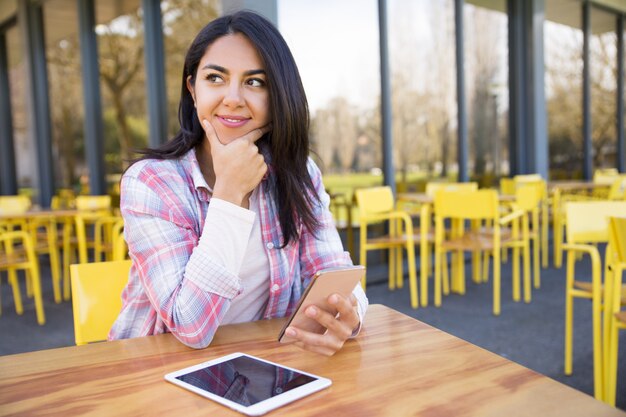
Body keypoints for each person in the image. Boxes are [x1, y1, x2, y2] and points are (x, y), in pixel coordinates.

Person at [109, 10, 368, 356]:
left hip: (260, 366)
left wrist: (350, 313)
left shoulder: (297, 172)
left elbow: (333, 272)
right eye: (215, 78)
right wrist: (230, 193)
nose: (232, 97)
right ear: (192, 88)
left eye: (255, 82)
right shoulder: (152, 183)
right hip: (153, 372)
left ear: (277, 97)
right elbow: (191, 327)